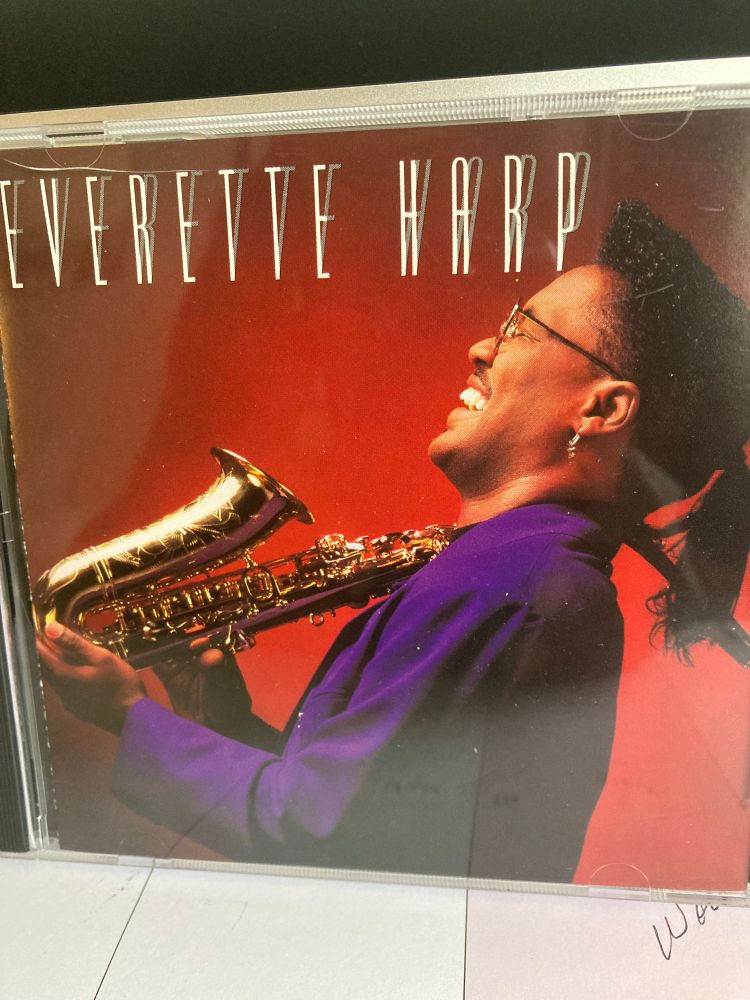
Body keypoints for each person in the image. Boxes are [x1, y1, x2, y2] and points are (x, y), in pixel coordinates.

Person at [37, 200, 750, 881]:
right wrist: (222, 726)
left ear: (602, 409)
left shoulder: (507, 578)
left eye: (520, 328)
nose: (481, 348)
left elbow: (316, 831)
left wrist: (130, 719)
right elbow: (371, 833)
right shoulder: (532, 572)